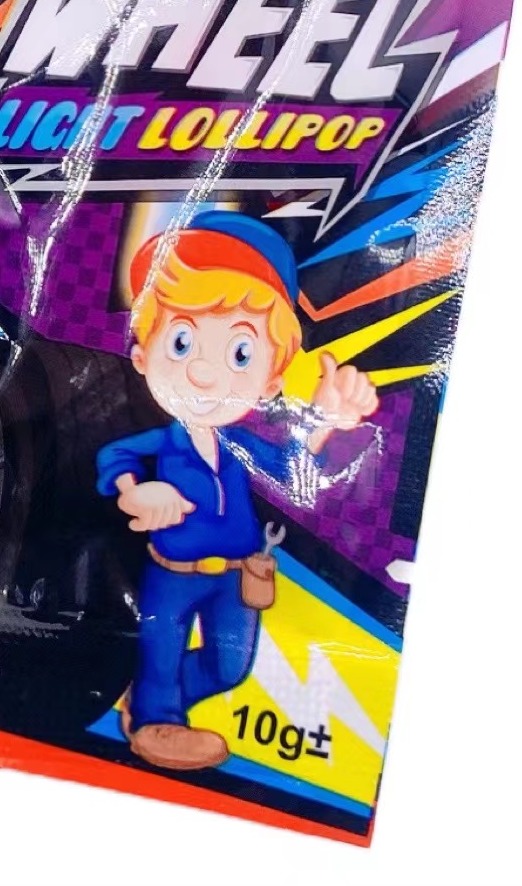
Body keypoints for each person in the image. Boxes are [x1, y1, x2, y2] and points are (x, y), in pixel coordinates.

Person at [97, 212, 378, 772]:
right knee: (160, 653)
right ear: (142, 355)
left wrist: (324, 421)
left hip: (237, 578)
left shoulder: (242, 446)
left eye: (240, 354)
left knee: (229, 667)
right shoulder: (165, 440)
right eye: (181, 342)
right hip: (171, 576)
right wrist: (134, 491)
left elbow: (290, 464)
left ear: (271, 380)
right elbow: (116, 456)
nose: (204, 373)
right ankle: (156, 720)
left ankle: (151, 697)